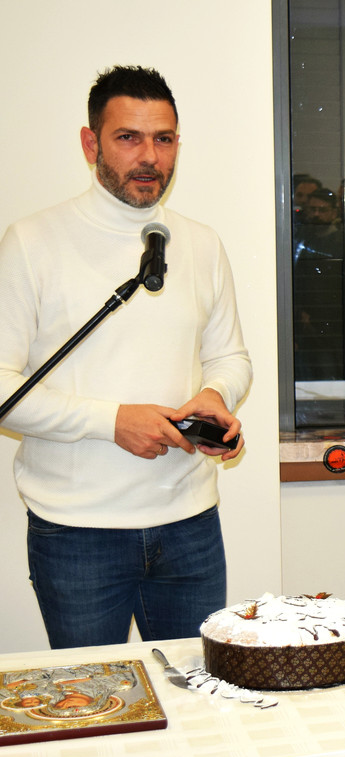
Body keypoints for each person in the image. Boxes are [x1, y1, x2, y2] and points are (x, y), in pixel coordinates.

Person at [0, 66, 252, 649]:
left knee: (198, 693)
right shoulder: (32, 242)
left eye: (163, 139)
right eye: (128, 137)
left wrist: (215, 396)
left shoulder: (201, 243)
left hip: (190, 524)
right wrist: (111, 421)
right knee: (96, 699)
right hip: (77, 532)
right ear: (91, 144)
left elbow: (231, 356)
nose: (149, 157)